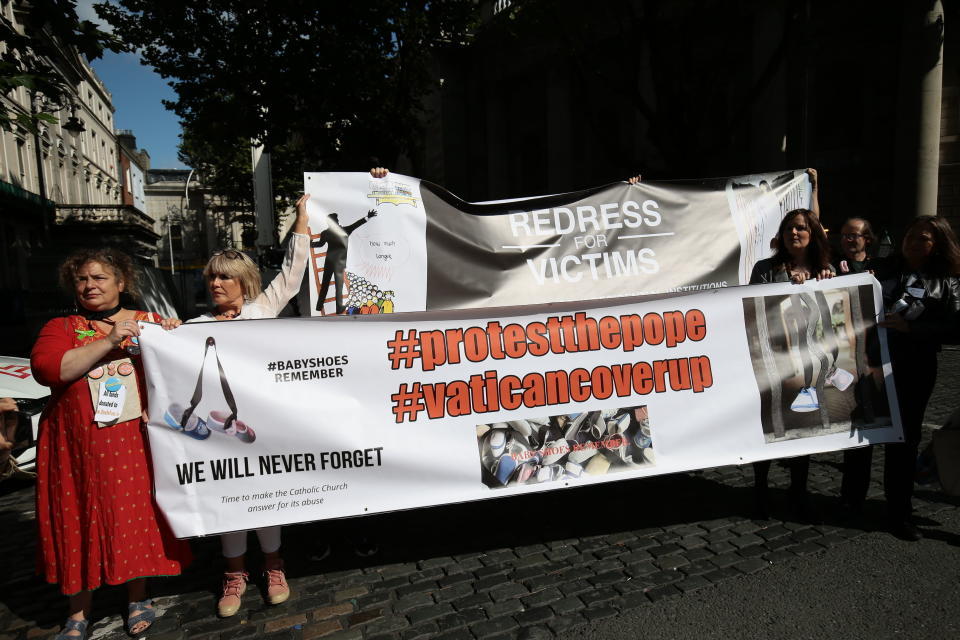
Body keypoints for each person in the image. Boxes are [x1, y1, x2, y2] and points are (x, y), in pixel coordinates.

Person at [30, 248, 191, 639]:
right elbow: (47, 369)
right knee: (77, 514)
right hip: (75, 445)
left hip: (132, 441)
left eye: (99, 278)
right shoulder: (61, 326)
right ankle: (79, 610)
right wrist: (108, 341)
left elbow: (187, 367)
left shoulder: (147, 322)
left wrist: (175, 333)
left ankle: (138, 595)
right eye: (82, 279)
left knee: (131, 515)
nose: (90, 286)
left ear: (121, 283)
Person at [867, 216, 959, 540]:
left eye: (924, 239)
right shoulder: (880, 267)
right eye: (911, 235)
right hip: (873, 363)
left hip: (916, 367)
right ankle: (851, 499)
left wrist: (913, 328)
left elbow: (955, 327)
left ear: (938, 244)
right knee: (863, 430)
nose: (913, 242)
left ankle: (899, 511)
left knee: (905, 439)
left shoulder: (948, 280)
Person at [748, 208, 835, 520]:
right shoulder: (766, 269)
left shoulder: (825, 269)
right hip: (772, 360)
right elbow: (754, 310)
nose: (794, 234)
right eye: (788, 229)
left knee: (802, 423)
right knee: (770, 423)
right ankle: (760, 489)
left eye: (800, 229)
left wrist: (825, 282)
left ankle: (798, 492)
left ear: (812, 234)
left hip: (808, 364)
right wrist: (787, 284)